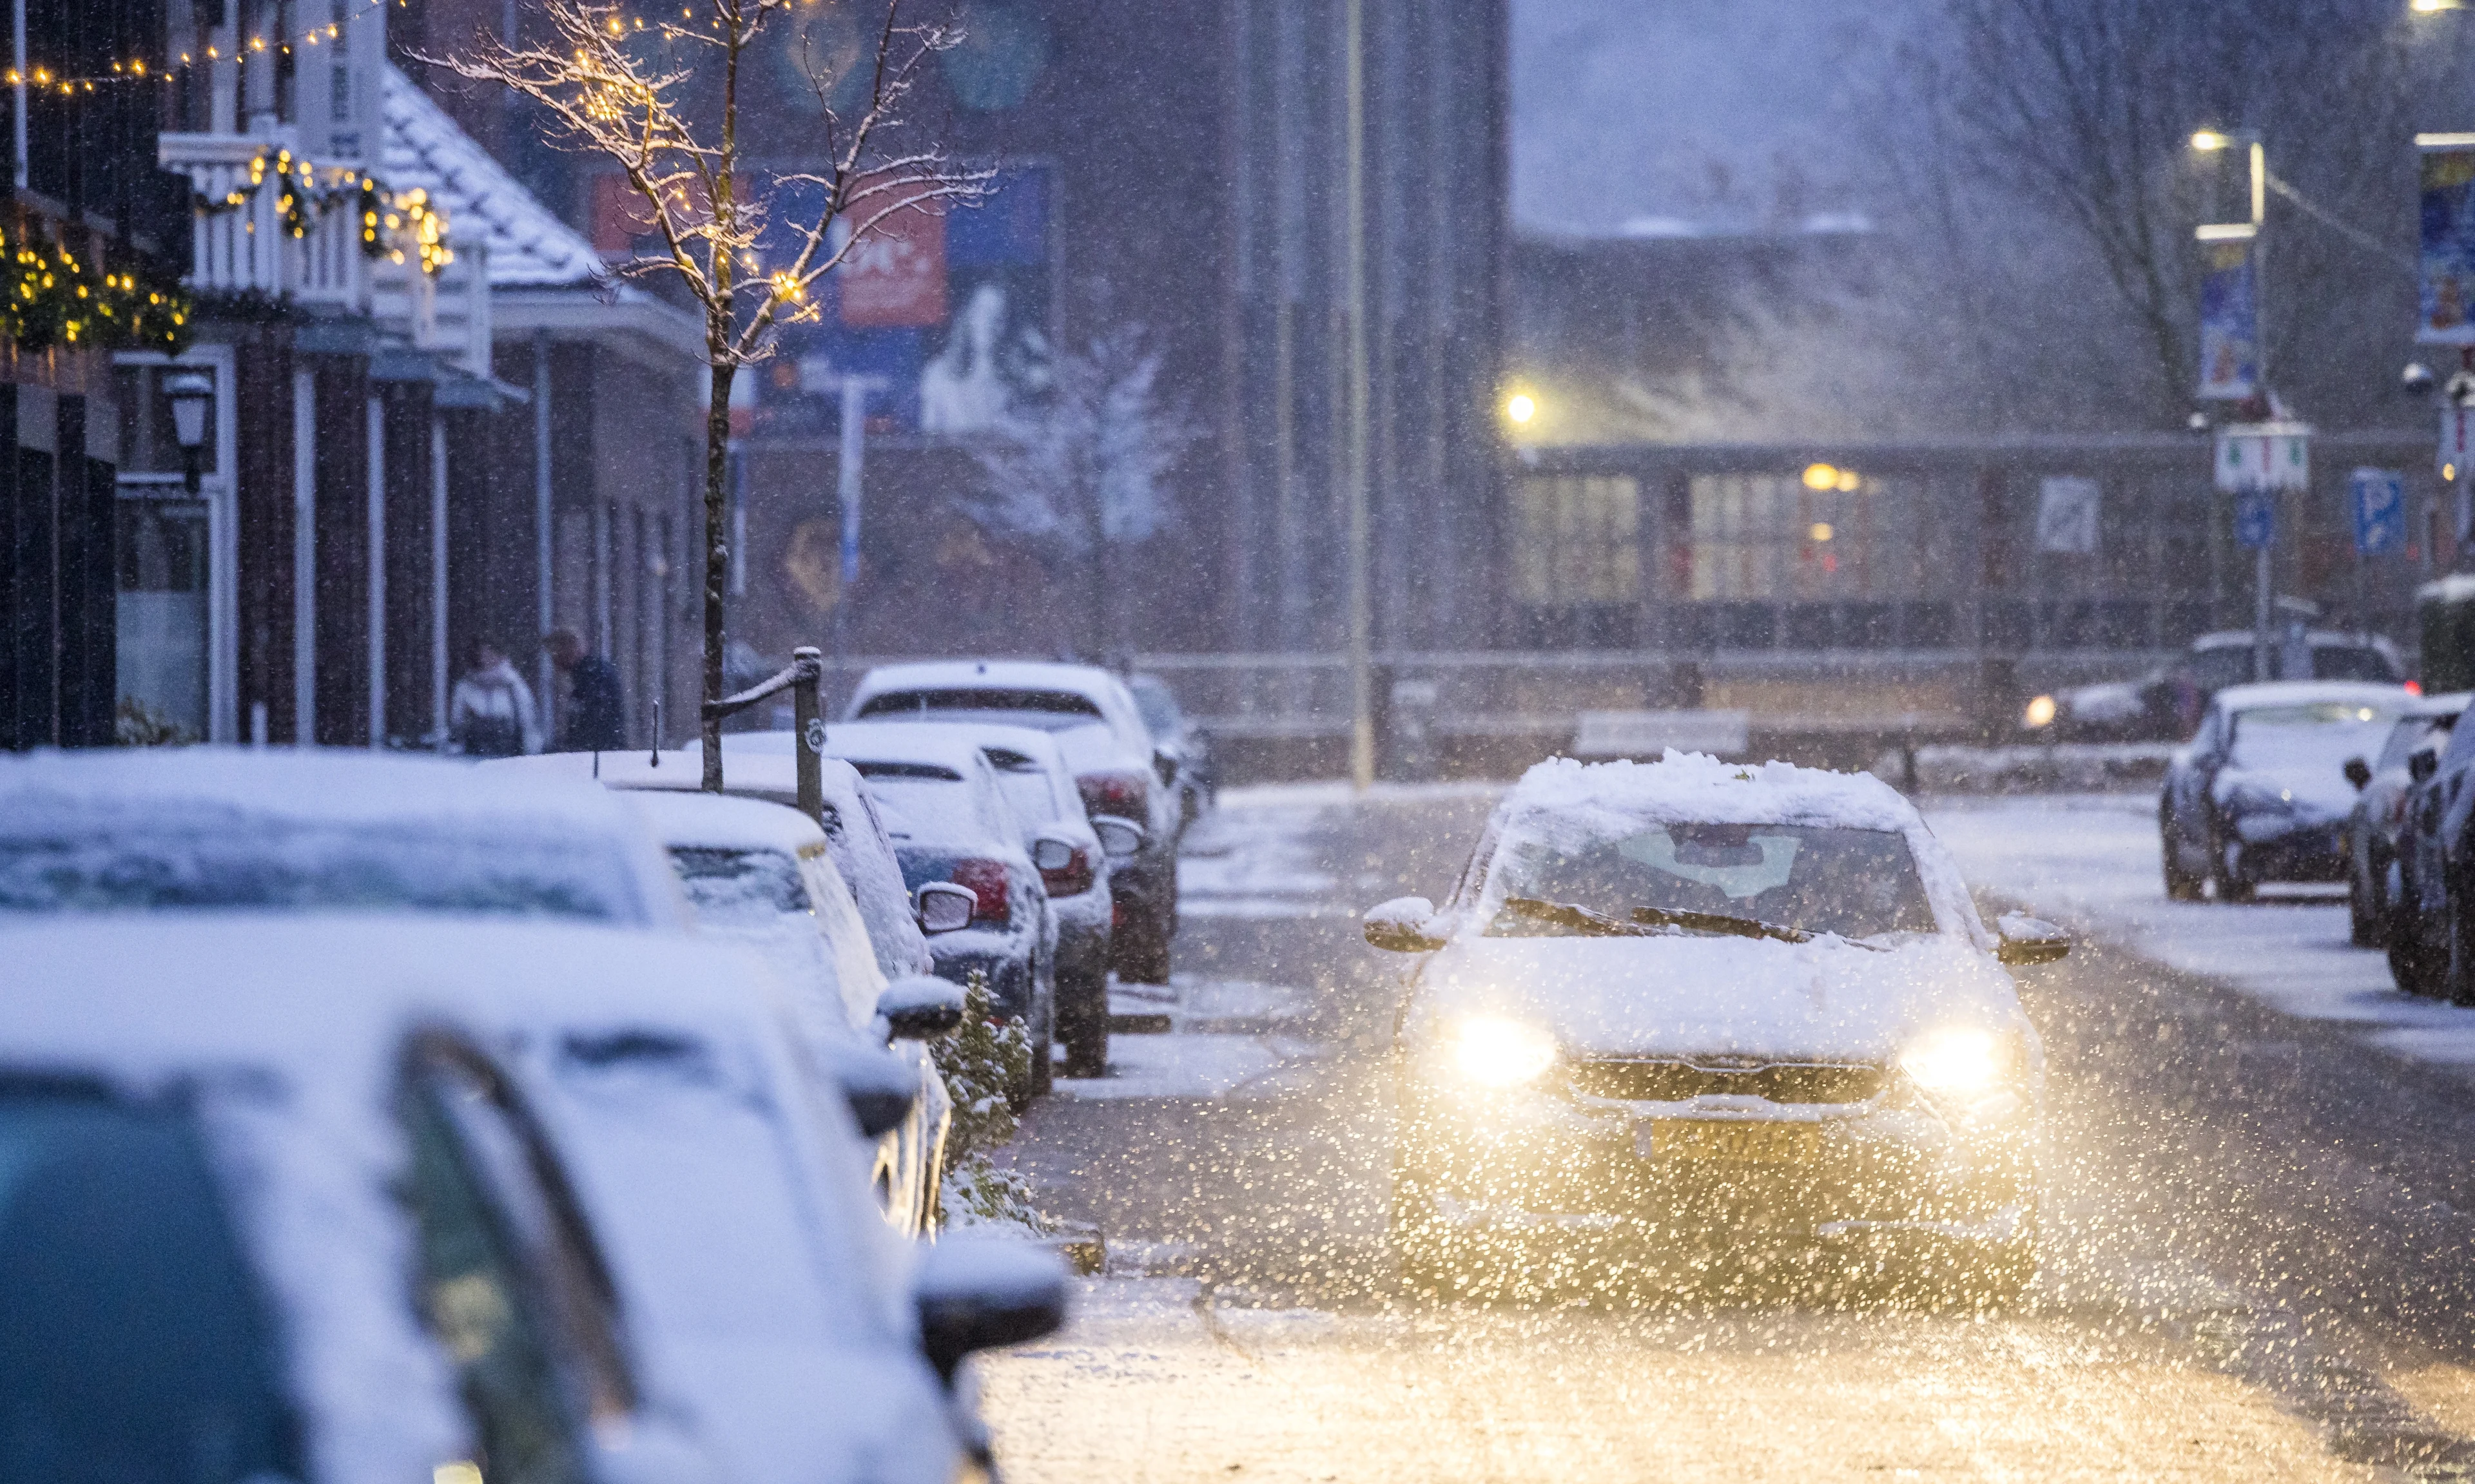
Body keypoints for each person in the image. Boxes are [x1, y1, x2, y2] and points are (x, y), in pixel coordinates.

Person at [448, 640, 541, 757]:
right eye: (483, 654)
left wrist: (530, 749)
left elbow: (527, 718)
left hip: (507, 751)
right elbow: (457, 720)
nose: (486, 658)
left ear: (500, 656)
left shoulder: (513, 683)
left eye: (490, 654)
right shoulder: (466, 685)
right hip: (473, 753)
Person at [543, 629, 626, 753]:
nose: (554, 662)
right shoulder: (588, 674)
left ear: (569, 649)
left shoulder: (592, 675)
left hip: (601, 756)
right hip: (602, 753)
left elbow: (594, 720)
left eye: (556, 654)